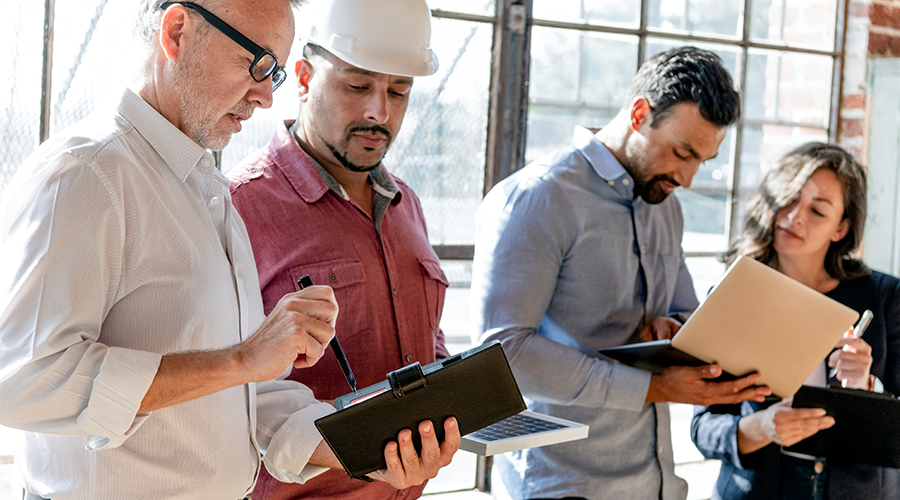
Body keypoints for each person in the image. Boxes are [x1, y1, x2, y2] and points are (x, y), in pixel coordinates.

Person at [0, 1, 458, 499]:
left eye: (274, 73)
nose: (265, 97)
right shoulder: (87, 174)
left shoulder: (204, 189)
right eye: (257, 63)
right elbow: (21, 379)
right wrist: (240, 359)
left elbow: (243, 395)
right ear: (177, 32)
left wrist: (371, 450)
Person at [472, 46, 772, 500]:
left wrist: (674, 332)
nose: (687, 179)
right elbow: (503, 353)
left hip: (656, 484)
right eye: (681, 152)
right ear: (638, 113)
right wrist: (650, 386)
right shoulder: (539, 198)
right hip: (563, 483)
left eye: (701, 162)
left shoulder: (664, 207)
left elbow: (685, 313)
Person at [226, 1, 450, 499]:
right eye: (357, 86)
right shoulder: (240, 207)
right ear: (303, 78)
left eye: (399, 90)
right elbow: (225, 390)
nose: (380, 112)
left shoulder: (406, 205)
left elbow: (426, 340)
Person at [691, 142, 900, 499]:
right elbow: (703, 427)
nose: (794, 217)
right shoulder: (732, 294)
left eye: (818, 211)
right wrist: (760, 427)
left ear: (841, 228)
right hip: (757, 489)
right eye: (788, 199)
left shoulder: (885, 297)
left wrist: (867, 386)